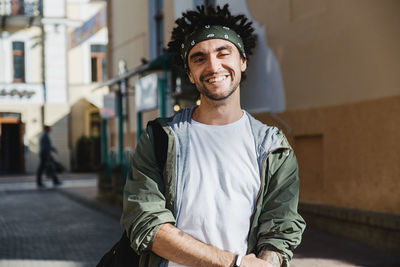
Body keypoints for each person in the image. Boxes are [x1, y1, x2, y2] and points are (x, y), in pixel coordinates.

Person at [121, 4, 305, 267]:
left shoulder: (273, 147)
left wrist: (266, 263)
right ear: (190, 74)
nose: (213, 65)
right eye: (199, 58)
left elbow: (280, 228)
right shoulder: (161, 138)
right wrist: (234, 263)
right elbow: (146, 223)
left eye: (223, 53)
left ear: (242, 61)